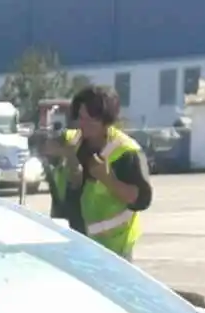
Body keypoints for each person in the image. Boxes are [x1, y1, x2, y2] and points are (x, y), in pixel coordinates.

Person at [64, 84, 152, 260]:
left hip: (114, 250)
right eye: (81, 118)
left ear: (106, 121)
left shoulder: (127, 152)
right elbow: (47, 144)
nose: (83, 125)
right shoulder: (74, 141)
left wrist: (107, 179)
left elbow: (141, 199)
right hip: (78, 244)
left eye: (91, 120)